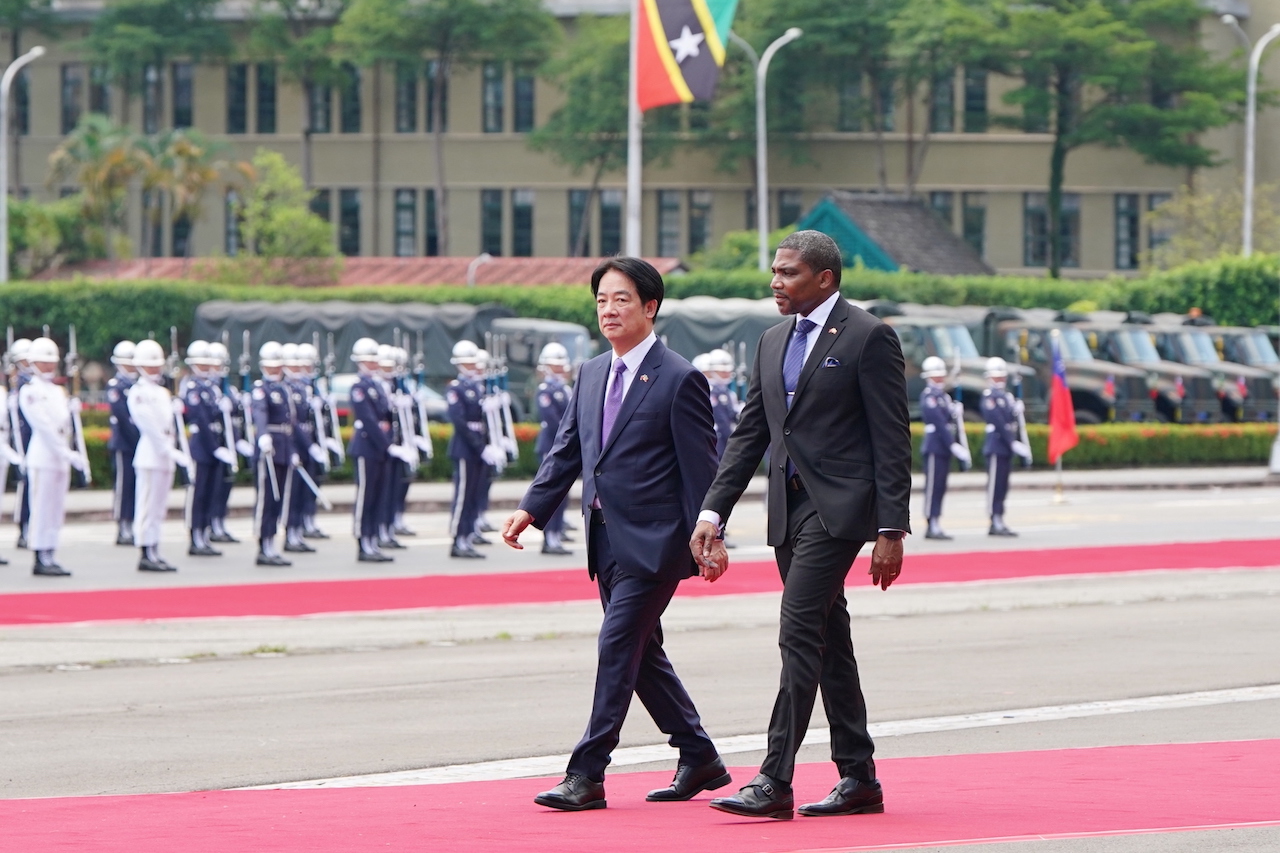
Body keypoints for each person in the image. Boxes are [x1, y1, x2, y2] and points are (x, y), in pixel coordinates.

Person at [691, 230, 912, 821]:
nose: (775, 282)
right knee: (829, 639)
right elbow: (751, 435)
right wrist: (713, 512)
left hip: (840, 511)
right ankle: (859, 777)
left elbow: (892, 438)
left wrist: (891, 530)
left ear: (824, 278)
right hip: (786, 512)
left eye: (788, 272)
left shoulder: (868, 336)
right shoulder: (771, 341)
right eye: (774, 271)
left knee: (797, 632)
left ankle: (774, 780)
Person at [503, 256, 728, 813]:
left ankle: (587, 772)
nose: (609, 310)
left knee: (617, 645)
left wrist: (713, 533)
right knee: (641, 652)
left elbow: (703, 468)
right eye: (601, 300)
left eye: (621, 299)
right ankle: (699, 755)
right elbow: (568, 450)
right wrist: (533, 507)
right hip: (603, 537)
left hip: (657, 542)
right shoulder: (592, 372)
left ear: (650, 307)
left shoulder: (679, 377)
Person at [19, 338, 88, 576]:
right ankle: (40, 556)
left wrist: (71, 409)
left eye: (51, 362)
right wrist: (66, 452)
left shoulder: (58, 391)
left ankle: (51, 552)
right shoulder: (29, 391)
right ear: (33, 363)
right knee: (41, 507)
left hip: (59, 458)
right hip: (43, 457)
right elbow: (44, 427)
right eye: (43, 362)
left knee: (56, 509)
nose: (48, 366)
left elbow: (64, 426)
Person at [128, 339, 186, 573]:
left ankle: (154, 548)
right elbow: (150, 426)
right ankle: (145, 551)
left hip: (165, 456)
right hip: (151, 455)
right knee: (147, 505)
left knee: (159, 508)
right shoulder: (138, 393)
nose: (155, 369)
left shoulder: (163, 392)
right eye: (150, 365)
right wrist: (168, 449)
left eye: (157, 365)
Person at [182, 341, 235, 557]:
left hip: (214, 447)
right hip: (202, 448)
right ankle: (195, 537)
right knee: (198, 494)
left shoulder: (212, 389)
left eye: (207, 364)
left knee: (210, 494)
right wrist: (214, 448)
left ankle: (204, 534)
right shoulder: (193, 388)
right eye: (201, 364)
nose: (206, 367)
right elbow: (201, 421)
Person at [446, 341, 497, 559]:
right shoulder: (456, 388)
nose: (473, 366)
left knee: (474, 495)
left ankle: (467, 537)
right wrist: (479, 446)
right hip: (465, 449)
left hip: (478, 448)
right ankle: (457, 539)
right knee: (463, 497)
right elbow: (459, 422)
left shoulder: (477, 387)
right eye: (469, 362)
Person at [348, 338, 396, 563]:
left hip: (381, 447)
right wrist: (387, 443)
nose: (374, 364)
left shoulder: (378, 386)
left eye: (375, 360)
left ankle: (373, 540)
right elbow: (368, 419)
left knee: (378, 496)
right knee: (365, 497)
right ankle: (362, 542)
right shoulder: (359, 387)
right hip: (367, 446)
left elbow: (386, 417)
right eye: (369, 360)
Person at [251, 342, 295, 566]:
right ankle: (263, 546)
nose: (275, 370)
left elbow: (291, 421)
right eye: (271, 366)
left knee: (279, 500)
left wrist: (293, 450)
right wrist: (263, 435)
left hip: (284, 448)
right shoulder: (261, 389)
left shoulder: (284, 389)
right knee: (267, 499)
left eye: (277, 366)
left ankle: (272, 542)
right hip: (269, 449)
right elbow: (260, 413)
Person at [920, 356, 970, 540]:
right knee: (933, 486)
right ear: (929, 377)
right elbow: (939, 423)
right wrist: (952, 444)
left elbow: (949, 421)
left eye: (941, 375)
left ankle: (936, 521)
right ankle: (930, 522)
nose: (940, 378)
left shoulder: (943, 397)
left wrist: (955, 411)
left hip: (943, 447)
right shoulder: (929, 396)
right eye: (936, 376)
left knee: (940, 486)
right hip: (935, 445)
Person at [980, 357, 1031, 537]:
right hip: (996, 445)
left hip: (1005, 447)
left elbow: (1012, 421)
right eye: (996, 377)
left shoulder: (1007, 397)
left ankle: (1000, 517)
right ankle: (994, 519)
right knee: (995, 486)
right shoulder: (989, 397)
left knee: (1003, 485)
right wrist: (1012, 442)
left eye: (1002, 376)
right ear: (989, 377)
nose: (1000, 380)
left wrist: (1016, 409)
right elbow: (998, 422)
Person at [534, 342, 573, 555]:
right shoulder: (545, 391)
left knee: (563, 495)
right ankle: (549, 537)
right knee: (551, 494)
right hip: (551, 447)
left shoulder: (565, 390)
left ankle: (557, 532)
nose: (560, 369)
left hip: (564, 448)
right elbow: (553, 422)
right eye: (555, 365)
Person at [106, 341, 140, 546]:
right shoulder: (116, 386)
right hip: (123, 444)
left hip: (138, 445)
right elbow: (123, 417)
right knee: (123, 486)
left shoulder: (137, 385)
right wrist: (137, 438)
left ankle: (132, 523)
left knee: (136, 486)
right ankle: (122, 526)